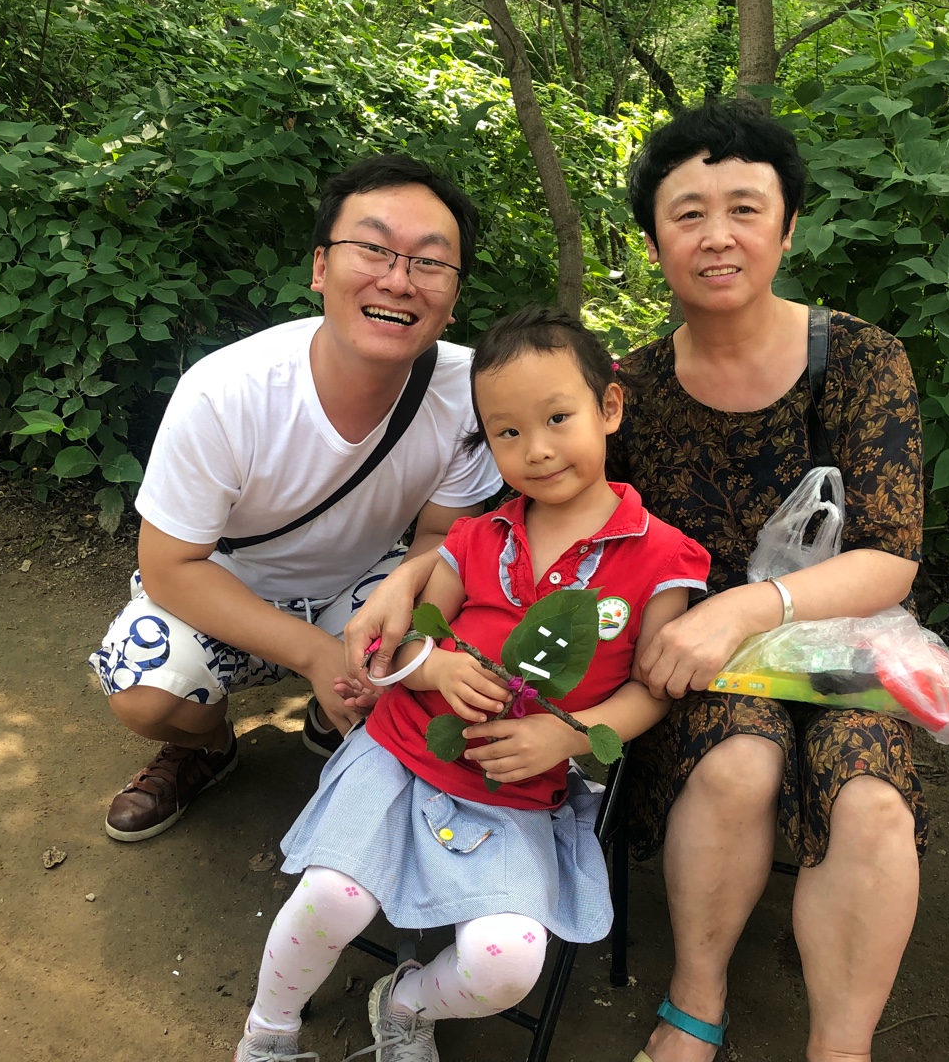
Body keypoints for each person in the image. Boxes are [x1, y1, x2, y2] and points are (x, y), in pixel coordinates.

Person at [344, 101, 926, 1062]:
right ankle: (697, 1003)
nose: (717, 235)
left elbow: (892, 551)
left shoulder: (861, 362)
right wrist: (412, 577)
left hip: (830, 637)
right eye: (688, 214)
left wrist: (742, 609)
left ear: (788, 226)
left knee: (869, 795)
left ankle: (842, 1046)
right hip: (671, 659)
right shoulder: (629, 387)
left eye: (745, 209)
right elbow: (520, 508)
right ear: (655, 242)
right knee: (740, 762)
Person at [232, 306, 711, 1062]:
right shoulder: (478, 536)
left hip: (512, 790)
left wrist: (567, 736)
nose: (536, 449)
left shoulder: (662, 558)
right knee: (331, 897)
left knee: (507, 964)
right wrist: (436, 667)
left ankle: (405, 1003)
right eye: (507, 432)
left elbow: (652, 689)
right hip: (401, 752)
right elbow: (405, 640)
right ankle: (268, 1031)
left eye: (558, 418)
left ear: (609, 408)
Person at [88, 154, 503, 843]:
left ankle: (338, 708)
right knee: (144, 691)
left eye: (430, 262)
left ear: (454, 294)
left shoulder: (467, 392)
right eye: (372, 249)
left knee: (454, 638)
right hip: (227, 587)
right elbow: (168, 567)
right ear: (320, 267)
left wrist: (390, 634)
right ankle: (204, 746)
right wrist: (314, 654)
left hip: (363, 586)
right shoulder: (226, 392)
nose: (398, 280)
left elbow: (441, 540)